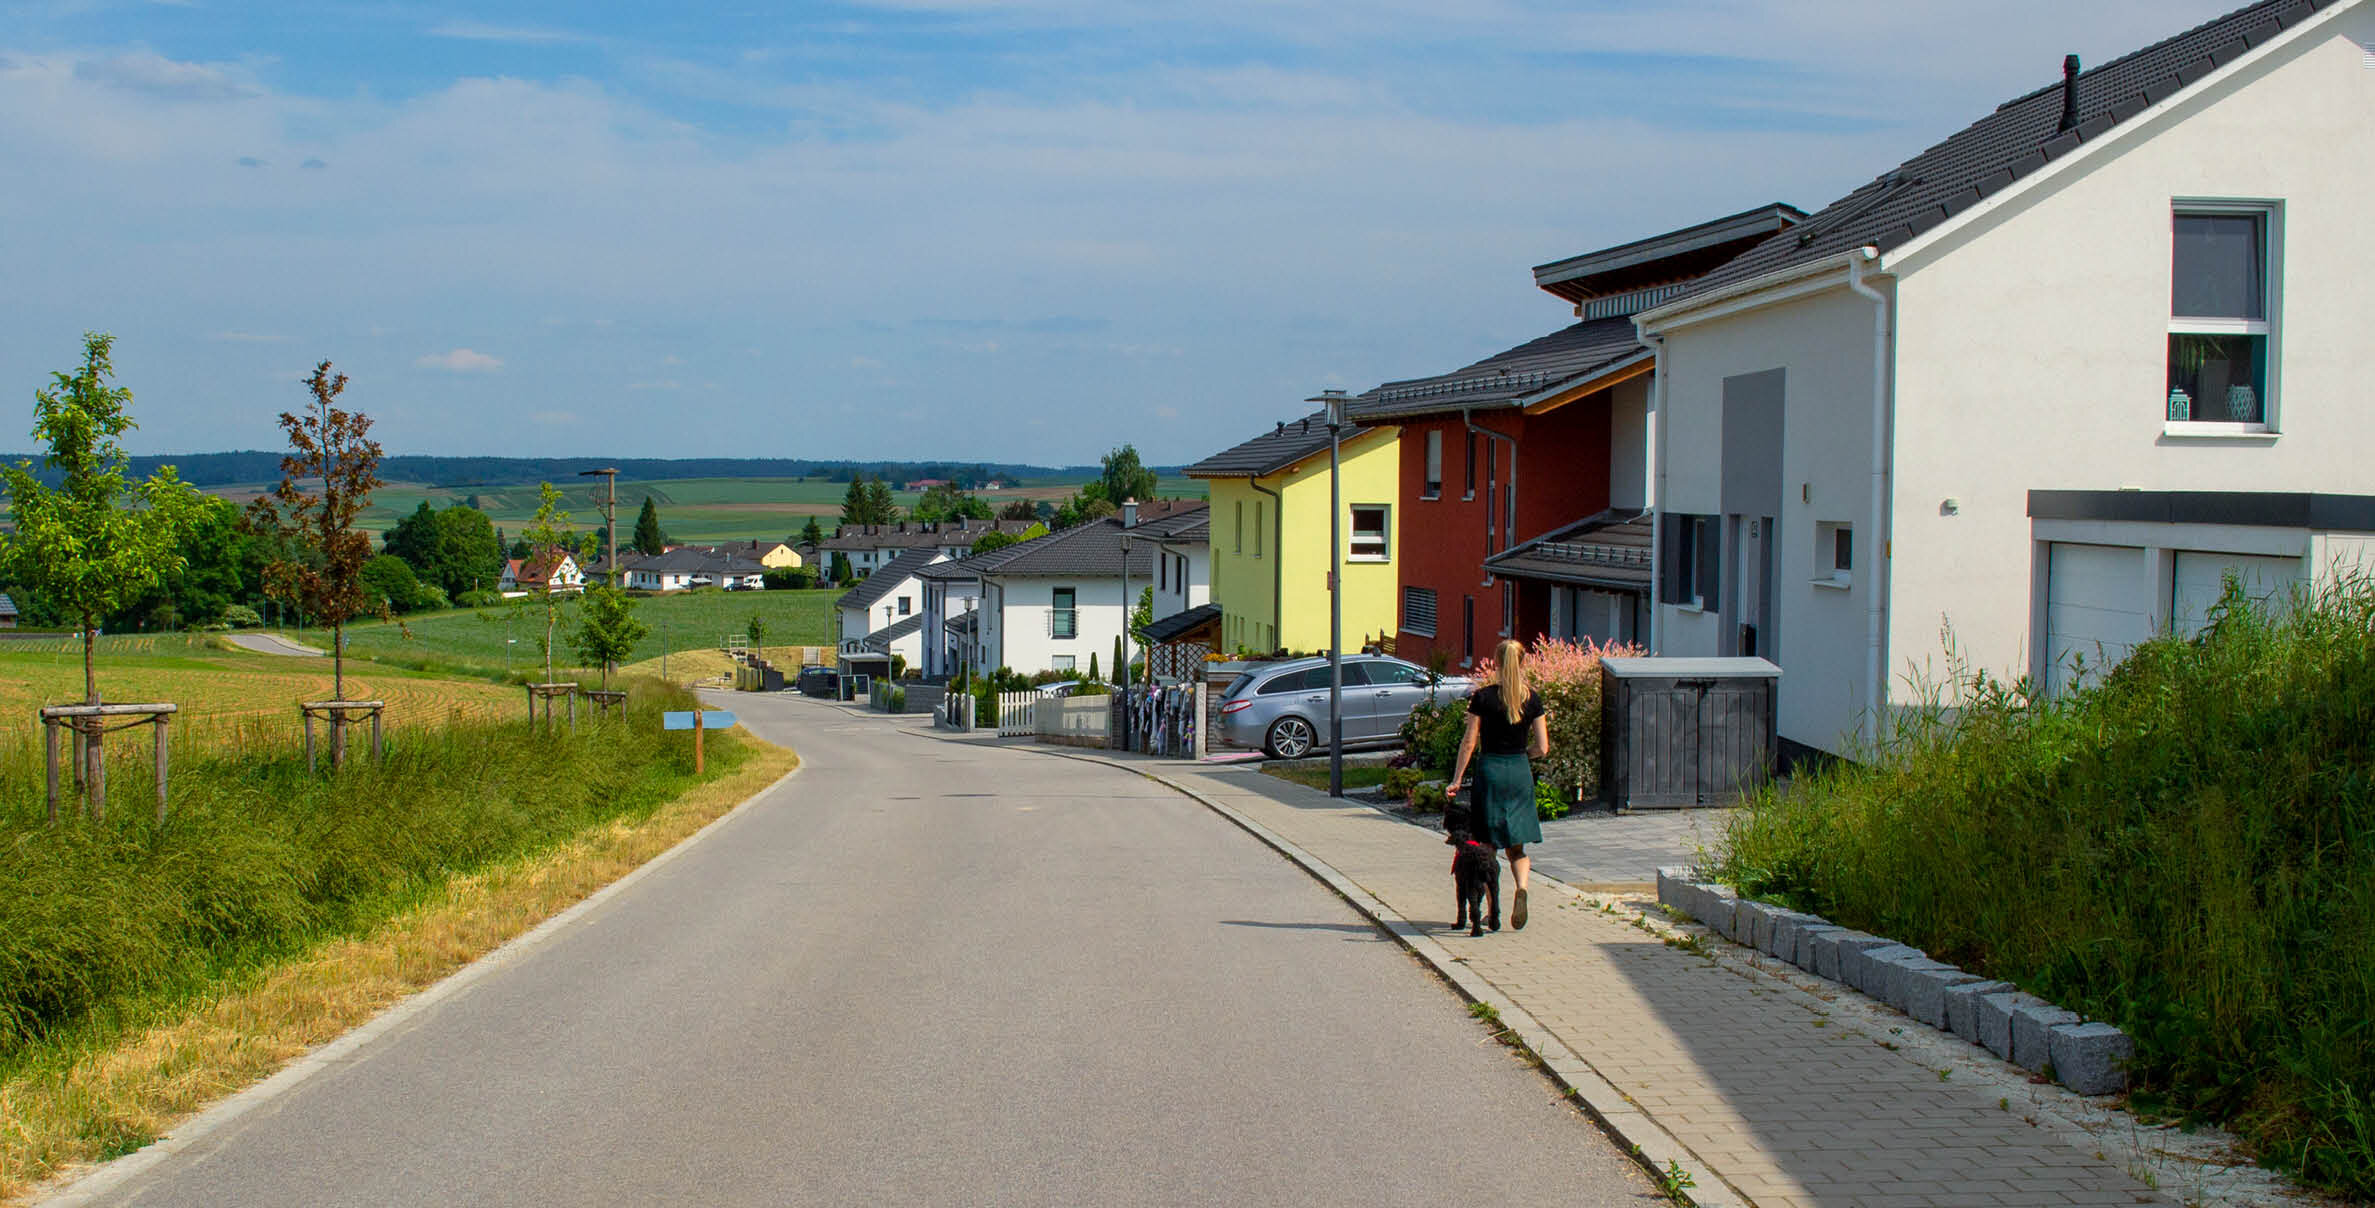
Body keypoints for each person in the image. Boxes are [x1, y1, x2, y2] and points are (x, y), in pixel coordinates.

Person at [1447, 638, 1549, 929]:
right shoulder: (1533, 698)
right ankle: (1523, 888)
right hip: (1518, 771)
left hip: (1490, 768)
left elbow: (1469, 742)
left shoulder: (1483, 698)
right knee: (1516, 847)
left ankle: (1492, 913)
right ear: (1523, 662)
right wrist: (1522, 755)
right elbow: (1543, 747)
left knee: (1487, 846)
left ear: (1497, 662)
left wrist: (1456, 780)